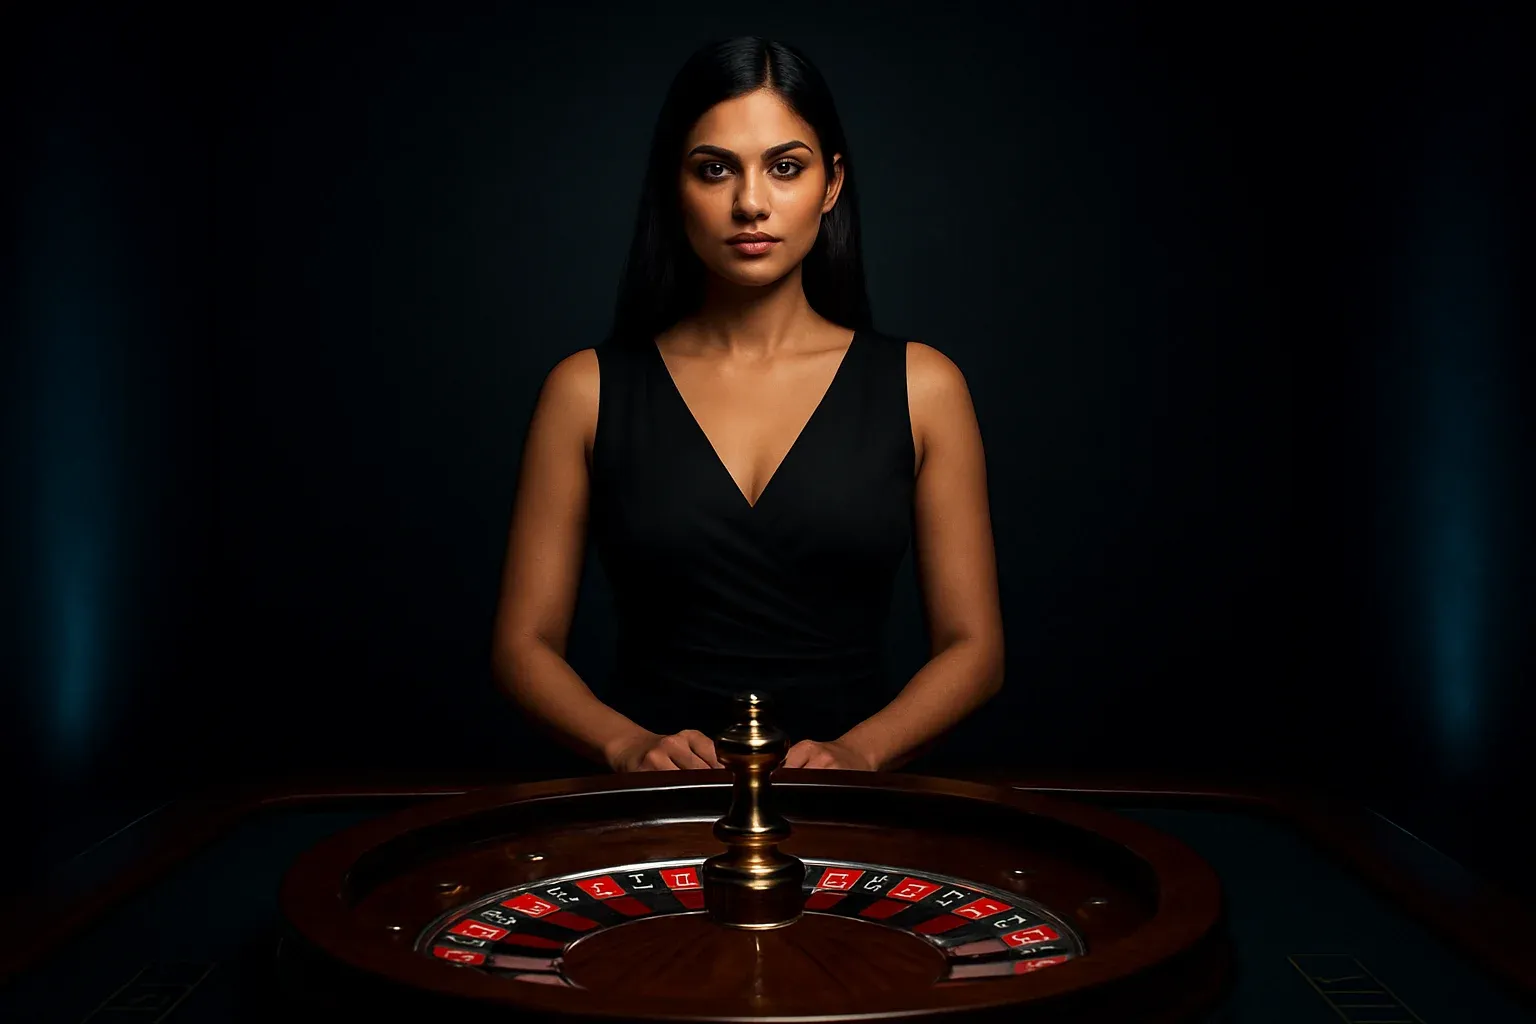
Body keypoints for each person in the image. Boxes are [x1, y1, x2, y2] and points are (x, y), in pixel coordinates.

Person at [491, 36, 1003, 774]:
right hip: (649, 812)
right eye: (714, 169)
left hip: (854, 810)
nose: (751, 203)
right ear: (675, 185)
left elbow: (975, 650)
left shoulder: (924, 386)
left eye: (785, 167)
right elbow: (521, 647)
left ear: (830, 186)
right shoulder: (585, 389)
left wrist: (859, 753)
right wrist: (627, 744)